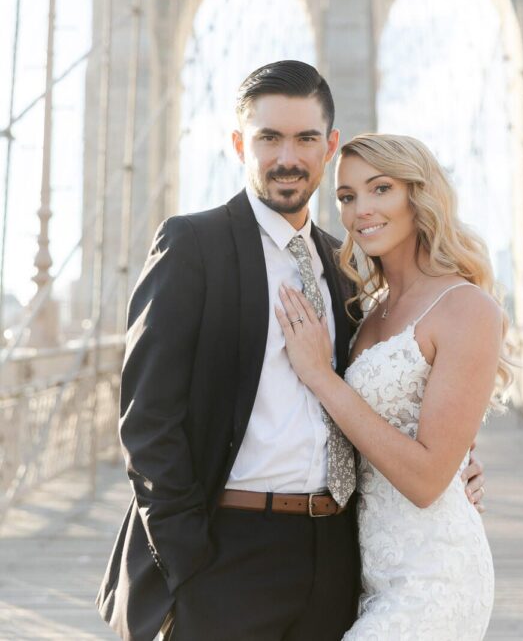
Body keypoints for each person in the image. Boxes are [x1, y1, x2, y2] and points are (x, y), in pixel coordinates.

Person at [96, 61, 487, 641]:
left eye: (305, 138)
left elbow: (405, 380)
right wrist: (188, 563)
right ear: (239, 144)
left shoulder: (349, 269)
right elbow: (147, 422)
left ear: (329, 147)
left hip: (338, 557)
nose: (288, 157)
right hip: (226, 554)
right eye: (268, 137)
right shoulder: (192, 245)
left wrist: (457, 457)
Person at [277, 132, 511, 640]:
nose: (361, 210)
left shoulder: (466, 307)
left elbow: (428, 481)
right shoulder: (365, 309)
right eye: (346, 196)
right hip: (365, 573)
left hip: (435, 578)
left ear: (417, 195)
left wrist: (320, 376)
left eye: (380, 189)